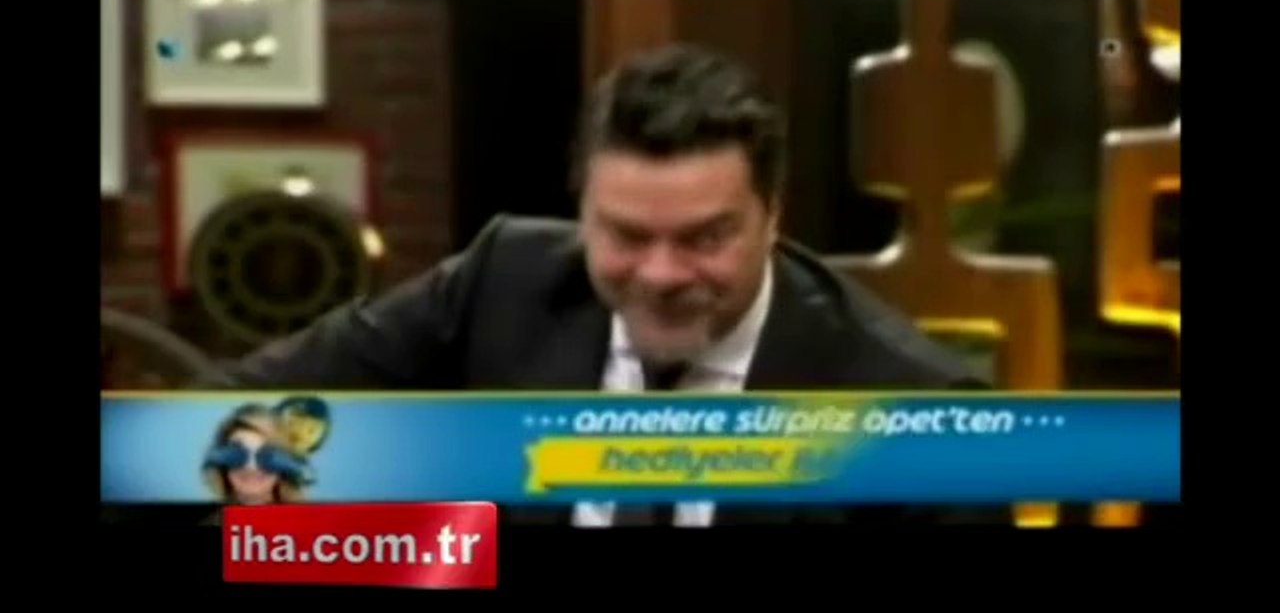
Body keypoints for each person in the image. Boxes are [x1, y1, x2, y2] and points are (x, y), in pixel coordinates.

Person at [225, 42, 1004, 525]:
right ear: (582, 211)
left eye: (705, 238)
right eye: (627, 236)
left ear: (773, 216)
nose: (660, 276)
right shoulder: (503, 283)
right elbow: (224, 420)